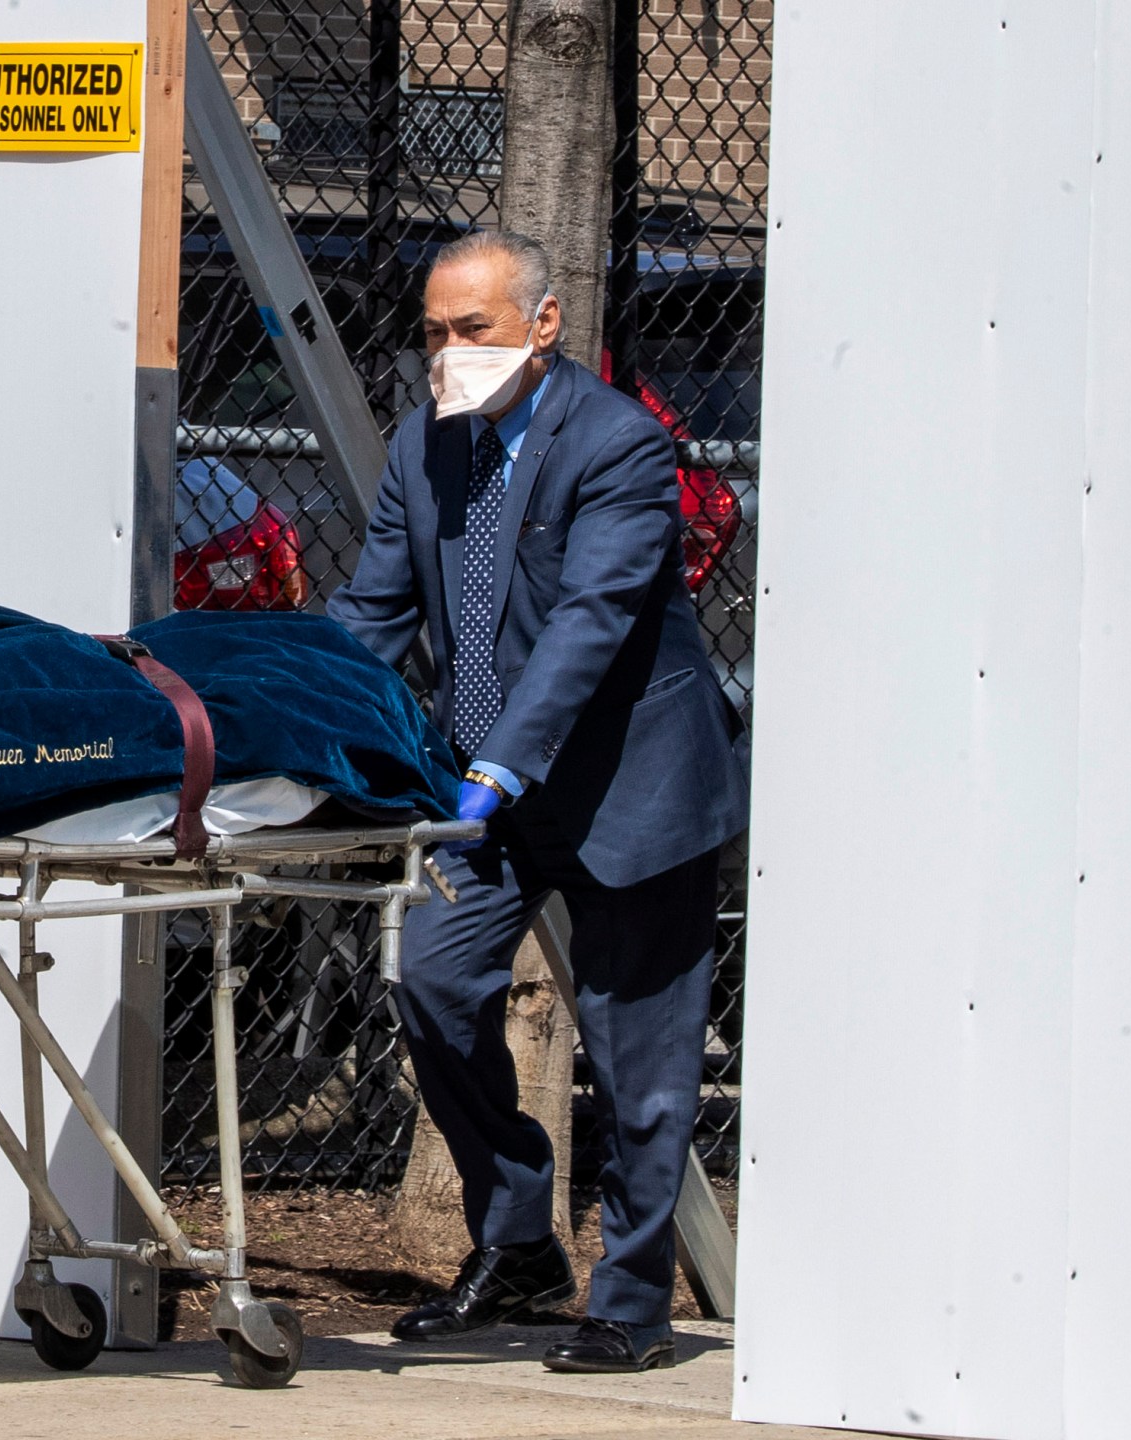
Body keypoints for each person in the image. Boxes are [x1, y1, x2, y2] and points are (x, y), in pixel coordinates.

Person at [327, 230, 747, 1373]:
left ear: (544, 325)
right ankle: (517, 1244)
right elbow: (372, 614)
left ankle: (632, 1307)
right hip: (488, 796)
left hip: (628, 785)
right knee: (432, 981)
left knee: (637, 1060)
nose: (450, 355)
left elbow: (591, 621)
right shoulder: (425, 446)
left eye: (475, 330)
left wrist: (499, 761)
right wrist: (301, 722)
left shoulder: (617, 444)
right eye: (433, 334)